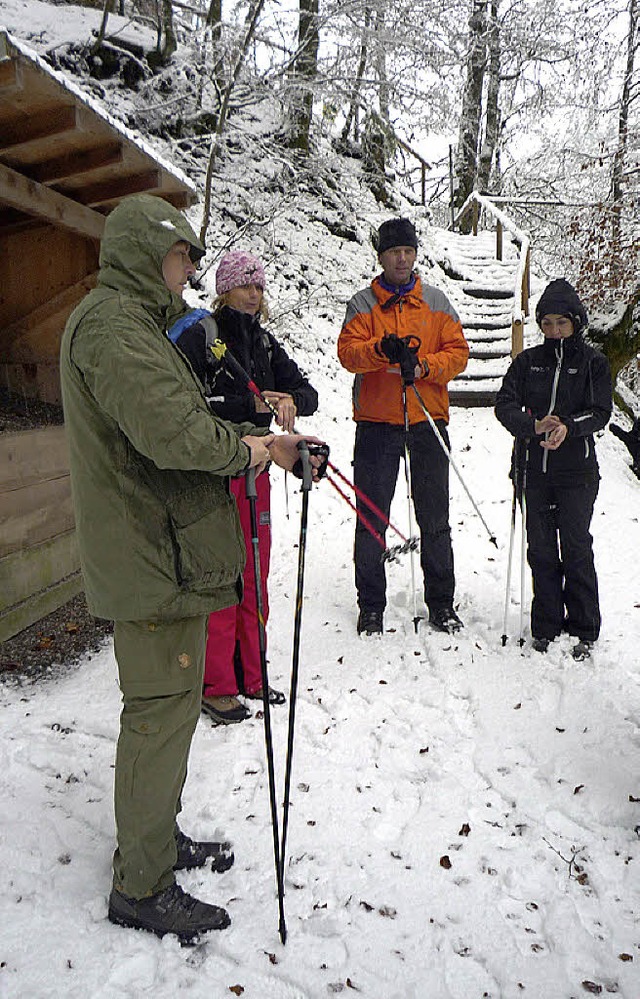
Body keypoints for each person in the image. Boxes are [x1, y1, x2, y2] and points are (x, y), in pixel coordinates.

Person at [59, 193, 322, 943]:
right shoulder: (111, 327)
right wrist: (253, 450)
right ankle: (141, 883)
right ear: (148, 252)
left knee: (171, 712)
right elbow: (174, 432)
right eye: (183, 258)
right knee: (155, 716)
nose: (190, 273)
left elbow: (195, 413)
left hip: (161, 547)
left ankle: (156, 840)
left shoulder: (138, 322)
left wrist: (260, 437)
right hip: (147, 552)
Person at [169, 250, 319, 725]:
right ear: (224, 288)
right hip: (216, 475)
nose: (254, 294)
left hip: (258, 472)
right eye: (244, 285)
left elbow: (308, 393)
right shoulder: (203, 336)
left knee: (255, 575)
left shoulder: (266, 343)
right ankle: (217, 685)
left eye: (259, 286)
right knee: (222, 577)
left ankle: (252, 674)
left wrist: (288, 395)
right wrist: (255, 400)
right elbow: (192, 402)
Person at [337, 217, 469, 636]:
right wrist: (381, 350)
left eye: (408, 252)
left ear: (415, 255)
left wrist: (424, 365)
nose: (402, 259)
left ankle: (442, 603)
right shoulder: (362, 304)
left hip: (428, 418)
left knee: (435, 517)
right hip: (378, 422)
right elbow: (349, 353)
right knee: (372, 516)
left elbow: (459, 353)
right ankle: (371, 605)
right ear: (381, 256)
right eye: (394, 252)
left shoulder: (436, 301)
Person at [494, 278, 612, 660]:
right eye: (547, 323)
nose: (554, 330)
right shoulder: (528, 362)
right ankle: (546, 624)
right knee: (541, 548)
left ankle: (583, 626)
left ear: (576, 322)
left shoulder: (593, 362)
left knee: (576, 546)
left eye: (562, 323)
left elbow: (600, 412)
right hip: (533, 470)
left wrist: (569, 427)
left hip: (576, 473)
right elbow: (504, 404)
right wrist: (532, 426)